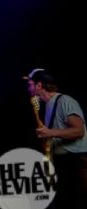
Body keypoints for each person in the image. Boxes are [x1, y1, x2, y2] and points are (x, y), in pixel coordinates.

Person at [25, 68, 87, 208]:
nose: (28, 88)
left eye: (30, 84)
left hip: (75, 162)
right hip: (63, 162)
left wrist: (50, 132)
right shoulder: (48, 106)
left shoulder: (65, 100)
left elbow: (79, 131)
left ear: (39, 85)